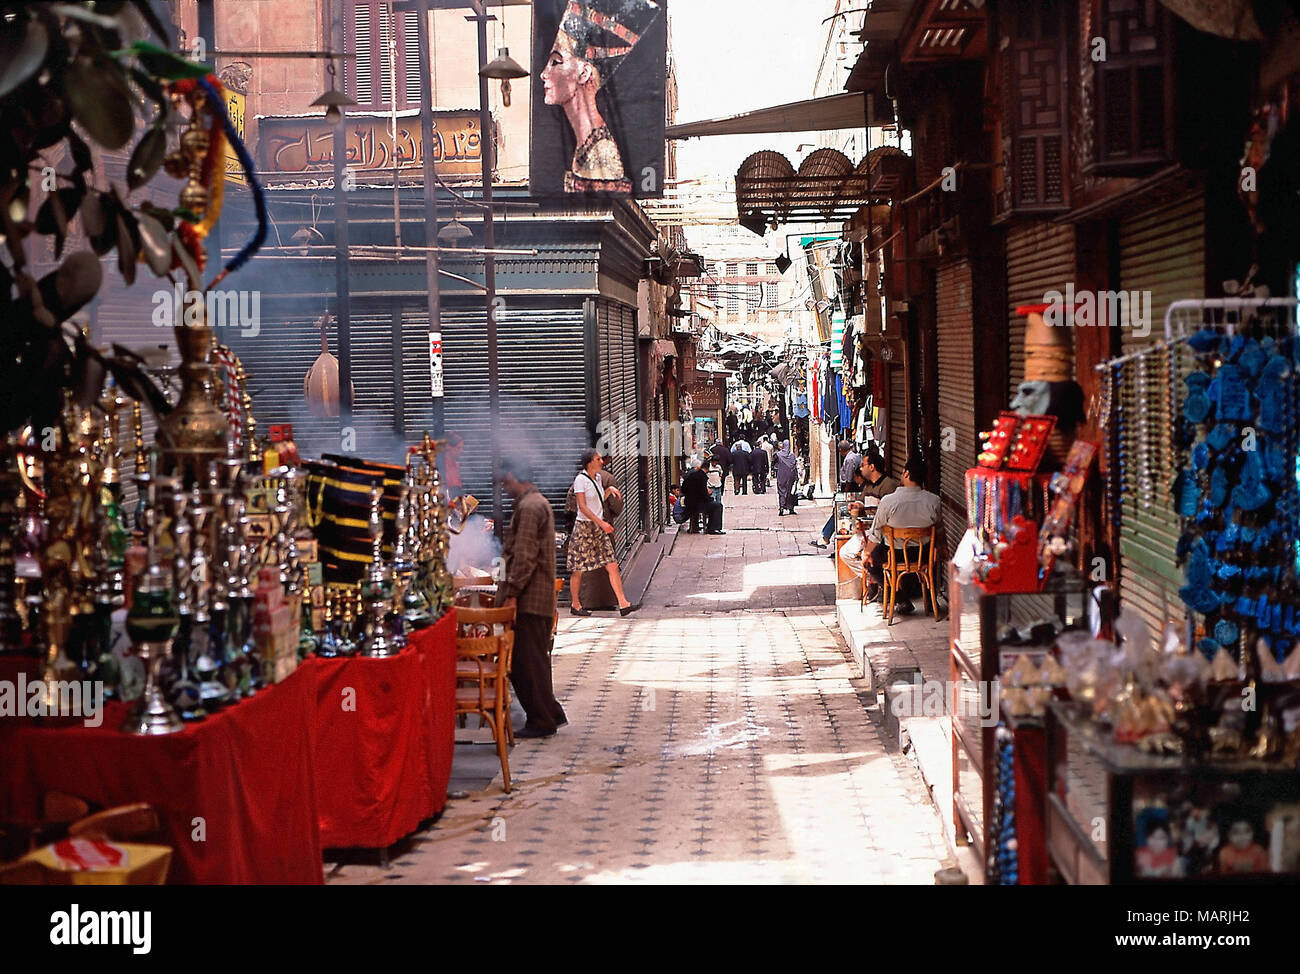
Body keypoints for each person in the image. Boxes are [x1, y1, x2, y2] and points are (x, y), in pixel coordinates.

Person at [540, 0, 663, 194]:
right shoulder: (586, 145)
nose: (544, 74)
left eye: (556, 62)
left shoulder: (603, 153)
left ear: (584, 74)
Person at [499, 456, 568, 739]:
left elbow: (524, 556)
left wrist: (512, 594)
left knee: (526, 663)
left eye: (506, 480)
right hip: (536, 597)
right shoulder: (534, 503)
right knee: (534, 660)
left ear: (516, 476)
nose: (503, 486)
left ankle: (542, 720)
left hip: (530, 598)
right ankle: (550, 711)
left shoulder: (529, 507)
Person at [864, 457, 941, 614]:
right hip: (923, 556)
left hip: (895, 556)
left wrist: (866, 553)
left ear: (906, 474)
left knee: (871, 563)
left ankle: (900, 598)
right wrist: (943, 547)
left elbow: (876, 533)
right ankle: (932, 600)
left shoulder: (888, 501)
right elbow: (939, 530)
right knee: (934, 555)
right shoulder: (934, 500)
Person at [568, 449, 637, 616]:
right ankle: (575, 604)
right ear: (590, 462)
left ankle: (623, 603)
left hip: (598, 528)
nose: (601, 461)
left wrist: (608, 491)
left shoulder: (598, 478)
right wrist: (602, 523)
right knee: (579, 569)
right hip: (584, 528)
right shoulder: (580, 480)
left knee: (612, 565)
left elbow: (597, 502)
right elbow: (583, 507)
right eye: (598, 459)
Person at [813, 445, 896, 548]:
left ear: (871, 467)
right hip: (869, 529)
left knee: (854, 552)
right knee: (846, 552)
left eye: (863, 465)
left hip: (880, 532)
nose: (860, 468)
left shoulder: (889, 486)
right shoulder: (869, 486)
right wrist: (856, 505)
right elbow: (861, 500)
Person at [682, 458, 724, 534]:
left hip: (688, 502)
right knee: (717, 506)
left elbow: (683, 489)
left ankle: (697, 527)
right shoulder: (701, 477)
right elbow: (704, 494)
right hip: (698, 504)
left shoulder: (690, 474)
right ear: (707, 468)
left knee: (713, 505)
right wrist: (710, 499)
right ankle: (713, 528)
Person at [775, 439, 799, 515]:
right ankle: (790, 508)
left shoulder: (778, 454)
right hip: (790, 476)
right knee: (789, 491)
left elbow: (774, 465)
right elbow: (794, 465)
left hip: (781, 475)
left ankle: (782, 507)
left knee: (782, 491)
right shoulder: (792, 455)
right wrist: (796, 476)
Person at [443, 431, 464, 498]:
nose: (461, 451)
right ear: (448, 447)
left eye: (462, 448)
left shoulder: (456, 465)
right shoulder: (441, 466)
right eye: (458, 448)